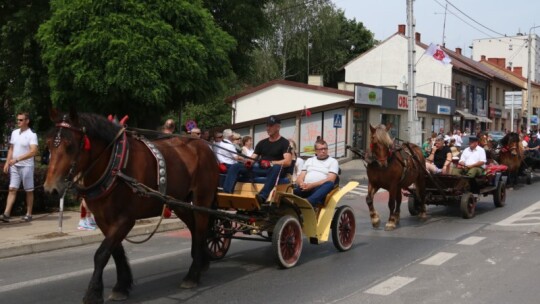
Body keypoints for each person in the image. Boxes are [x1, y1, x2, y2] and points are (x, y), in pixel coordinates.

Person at [222, 115, 292, 204]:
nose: (267, 128)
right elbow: (253, 157)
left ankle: (262, 196)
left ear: (278, 127)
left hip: (273, 170)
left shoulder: (284, 143)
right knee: (235, 166)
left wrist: (270, 163)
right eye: (267, 125)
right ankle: (226, 193)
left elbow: (287, 162)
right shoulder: (262, 143)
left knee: (276, 167)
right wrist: (248, 162)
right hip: (260, 168)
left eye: (270, 126)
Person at [1, 112, 39, 222]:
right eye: (17, 120)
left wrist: (17, 159)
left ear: (27, 121)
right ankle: (6, 213)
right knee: (12, 189)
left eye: (21, 120)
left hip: (26, 166)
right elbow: (11, 149)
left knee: (29, 190)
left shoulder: (32, 135)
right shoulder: (14, 133)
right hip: (14, 166)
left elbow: (33, 152)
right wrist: (7, 162)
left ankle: (29, 214)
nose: (18, 122)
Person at [293, 140, 339, 206]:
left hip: (319, 189)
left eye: (325, 149)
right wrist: (301, 183)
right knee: (289, 191)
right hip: (305, 188)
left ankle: (309, 202)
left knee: (329, 184)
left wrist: (311, 185)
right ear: (315, 151)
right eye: (321, 149)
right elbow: (300, 177)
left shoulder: (333, 161)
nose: (323, 151)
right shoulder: (309, 160)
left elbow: (331, 179)